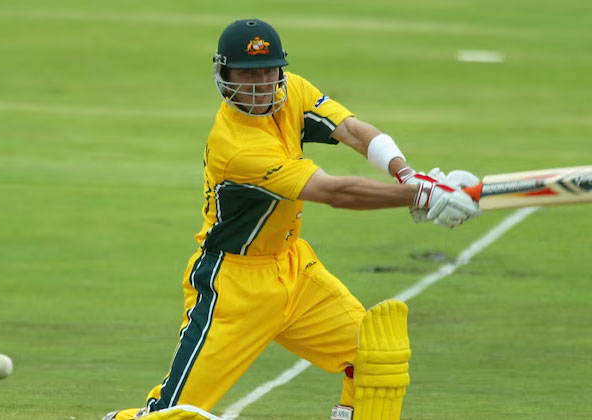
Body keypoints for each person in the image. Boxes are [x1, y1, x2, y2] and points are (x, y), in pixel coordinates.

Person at [103, 18, 480, 420]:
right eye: (248, 74)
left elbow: (354, 131)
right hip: (235, 286)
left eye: (269, 71)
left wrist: (408, 175)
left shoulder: (293, 91)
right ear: (225, 76)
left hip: (294, 270)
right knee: (174, 413)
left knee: (375, 355)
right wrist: (421, 195)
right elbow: (335, 193)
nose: (262, 84)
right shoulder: (236, 147)